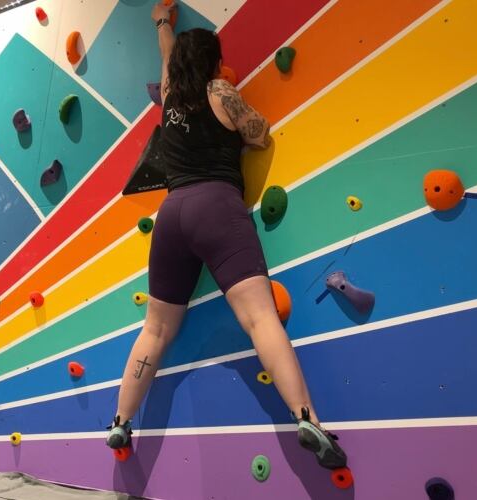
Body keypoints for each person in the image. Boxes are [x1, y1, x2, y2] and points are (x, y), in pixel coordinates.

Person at [106, 2, 347, 471]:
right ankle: (307, 419)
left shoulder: (171, 93)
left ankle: (120, 420)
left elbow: (167, 54)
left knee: (154, 329)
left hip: (171, 215)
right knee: (260, 319)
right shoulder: (222, 91)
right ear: (216, 64)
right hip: (216, 206)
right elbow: (259, 134)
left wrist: (161, 22)